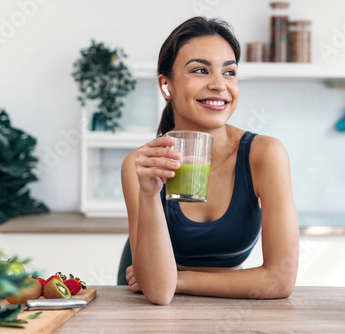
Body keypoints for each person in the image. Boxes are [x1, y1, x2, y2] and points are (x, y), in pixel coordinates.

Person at [117, 16, 299, 305]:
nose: (219, 85)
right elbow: (159, 292)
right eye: (201, 70)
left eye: (229, 72)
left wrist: (181, 278)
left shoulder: (264, 154)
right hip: (156, 310)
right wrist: (151, 194)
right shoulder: (141, 165)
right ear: (167, 86)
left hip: (228, 304)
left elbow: (280, 280)